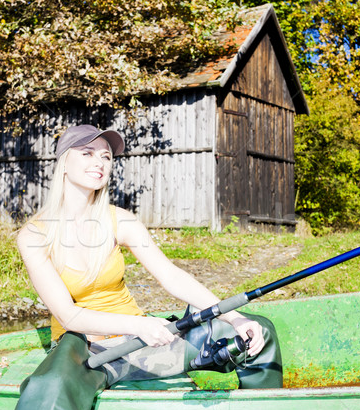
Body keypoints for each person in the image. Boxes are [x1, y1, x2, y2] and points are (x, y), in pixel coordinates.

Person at [17, 123, 283, 389]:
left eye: (106, 156)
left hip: (140, 340)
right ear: (64, 163)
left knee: (258, 329)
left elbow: (172, 277)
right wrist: (138, 326)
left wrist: (234, 317)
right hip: (86, 352)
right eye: (87, 153)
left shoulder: (120, 220)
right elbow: (68, 316)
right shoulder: (34, 235)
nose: (99, 162)